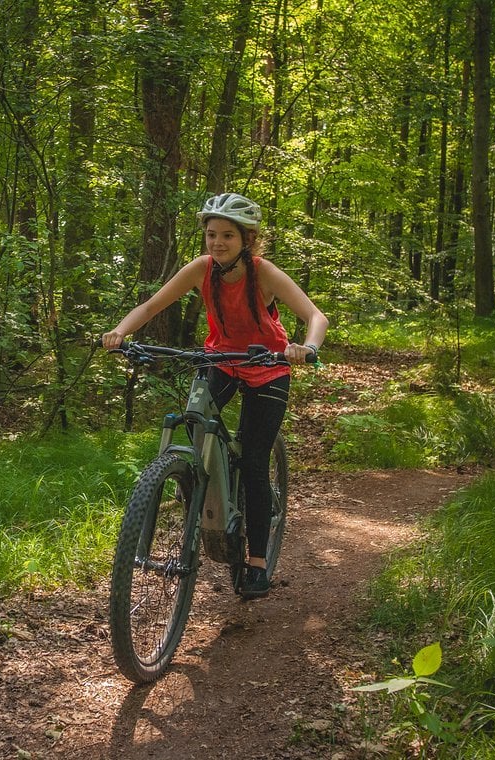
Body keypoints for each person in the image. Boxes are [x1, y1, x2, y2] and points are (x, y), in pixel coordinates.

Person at [102, 192, 328, 599]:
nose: (217, 242)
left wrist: (306, 347)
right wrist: (121, 331)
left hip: (267, 367)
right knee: (194, 418)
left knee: (256, 464)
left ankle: (257, 561)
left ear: (247, 239)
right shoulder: (201, 270)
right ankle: (193, 480)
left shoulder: (264, 273)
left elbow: (315, 316)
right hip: (221, 360)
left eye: (227, 235)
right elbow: (152, 306)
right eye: (211, 234)